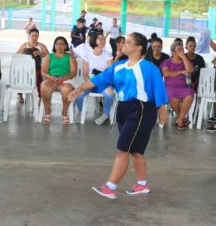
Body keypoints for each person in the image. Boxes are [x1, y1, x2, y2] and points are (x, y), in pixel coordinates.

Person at [68, 32, 168, 199]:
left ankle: (110, 186)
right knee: (136, 151)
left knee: (122, 149)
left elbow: (160, 89)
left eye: (128, 42)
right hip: (124, 108)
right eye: (124, 42)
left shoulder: (149, 68)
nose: (123, 45)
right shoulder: (118, 66)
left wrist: (162, 112)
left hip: (141, 109)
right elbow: (98, 79)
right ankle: (142, 185)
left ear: (139, 47)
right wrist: (78, 90)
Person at [75, 33, 114, 125]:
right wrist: (91, 82)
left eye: (103, 39)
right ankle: (81, 111)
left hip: (104, 82)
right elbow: (85, 74)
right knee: (78, 94)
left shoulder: (108, 56)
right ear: (94, 40)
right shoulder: (87, 55)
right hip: (90, 81)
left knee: (109, 95)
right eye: (100, 39)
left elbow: (108, 74)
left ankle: (105, 114)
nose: (102, 40)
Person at [40, 37, 77, 124]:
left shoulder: (70, 57)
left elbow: (73, 72)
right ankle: (47, 112)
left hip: (66, 79)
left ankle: (64, 113)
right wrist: (52, 78)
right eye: (57, 44)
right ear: (54, 46)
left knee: (67, 90)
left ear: (65, 46)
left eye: (61, 44)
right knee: (44, 87)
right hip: (51, 79)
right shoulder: (49, 56)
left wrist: (64, 78)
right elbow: (43, 72)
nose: (59, 46)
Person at [161, 41, 194, 130]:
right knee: (172, 96)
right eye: (179, 50)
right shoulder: (167, 62)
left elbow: (190, 70)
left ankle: (179, 119)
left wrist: (184, 57)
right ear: (173, 52)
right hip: (170, 87)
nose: (181, 51)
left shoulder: (185, 61)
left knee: (190, 92)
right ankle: (181, 118)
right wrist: (181, 72)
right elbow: (166, 74)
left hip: (183, 87)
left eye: (182, 49)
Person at [16, 28, 49, 102]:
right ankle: (20, 95)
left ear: (38, 36)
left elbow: (49, 57)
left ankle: (41, 96)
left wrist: (40, 53)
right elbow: (16, 54)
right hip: (25, 67)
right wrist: (23, 51)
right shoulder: (25, 44)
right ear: (29, 36)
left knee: (38, 74)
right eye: (33, 35)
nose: (34, 37)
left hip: (37, 66)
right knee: (20, 73)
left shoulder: (41, 46)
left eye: (36, 36)